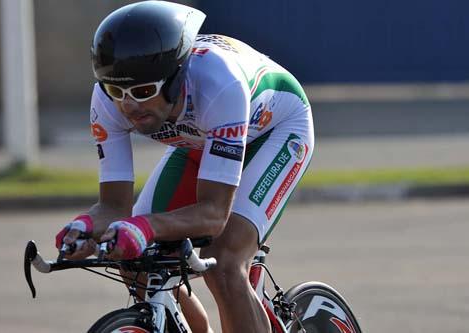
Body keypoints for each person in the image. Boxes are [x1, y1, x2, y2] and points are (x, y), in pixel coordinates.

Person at [55, 1, 314, 332]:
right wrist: (84, 226)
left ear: (176, 80)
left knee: (223, 262)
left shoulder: (220, 85)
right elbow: (113, 206)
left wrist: (145, 227)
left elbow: (213, 214)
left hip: (275, 130)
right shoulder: (108, 101)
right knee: (135, 259)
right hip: (203, 139)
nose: (129, 105)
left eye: (144, 91)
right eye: (117, 91)